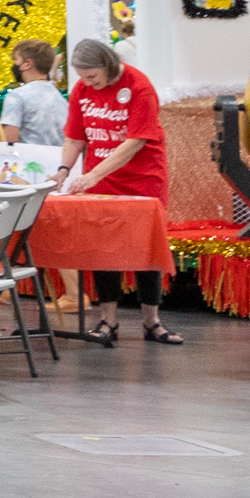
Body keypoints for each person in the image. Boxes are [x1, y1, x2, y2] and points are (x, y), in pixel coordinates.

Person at [62, 38, 181, 346]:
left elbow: (135, 142)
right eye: (83, 78)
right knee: (104, 250)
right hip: (100, 181)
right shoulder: (82, 91)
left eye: (92, 76)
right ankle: (108, 320)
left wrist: (91, 175)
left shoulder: (139, 86)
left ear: (108, 64)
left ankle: (152, 321)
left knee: (146, 250)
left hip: (142, 178)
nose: (88, 83)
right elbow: (75, 137)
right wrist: (63, 171)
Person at [0, 40, 68, 148]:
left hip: (30, 162)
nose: (14, 65)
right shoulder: (60, 98)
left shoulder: (16, 96)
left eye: (16, 60)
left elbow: (9, 142)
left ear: (27, 64)